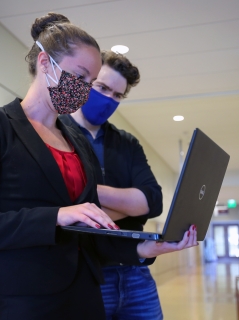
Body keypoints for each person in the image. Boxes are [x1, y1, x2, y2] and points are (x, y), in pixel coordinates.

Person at [0, 13, 198, 320]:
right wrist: (57, 215)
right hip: (27, 301)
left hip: (86, 298)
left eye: (89, 82)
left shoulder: (77, 142)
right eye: (79, 77)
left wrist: (144, 249)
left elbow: (87, 236)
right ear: (45, 63)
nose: (84, 89)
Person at [60, 51, 166, 319]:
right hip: (85, 276)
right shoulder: (56, 133)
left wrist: (86, 197)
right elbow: (57, 200)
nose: (109, 99)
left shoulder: (127, 143)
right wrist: (131, 206)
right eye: (102, 88)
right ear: (87, 81)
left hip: (135, 272)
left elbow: (153, 201)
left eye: (117, 95)